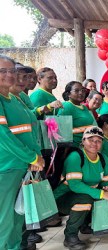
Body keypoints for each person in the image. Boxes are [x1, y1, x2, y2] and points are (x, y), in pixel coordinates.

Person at [0, 55, 45, 250]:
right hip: (6, 168)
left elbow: (30, 130)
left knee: (18, 217)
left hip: (23, 167)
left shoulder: (15, 99)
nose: (9, 74)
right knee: (5, 220)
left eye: (12, 70)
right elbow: (3, 136)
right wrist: (32, 157)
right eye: (3, 71)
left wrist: (34, 159)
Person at [53, 126, 108, 250]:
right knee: (85, 199)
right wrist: (101, 194)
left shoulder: (103, 158)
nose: (94, 144)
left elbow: (105, 181)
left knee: (102, 197)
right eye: (90, 140)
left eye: (98, 141)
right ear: (83, 141)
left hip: (84, 194)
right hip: (63, 197)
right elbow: (75, 185)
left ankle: (84, 224)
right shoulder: (76, 157)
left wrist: (107, 190)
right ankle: (70, 236)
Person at [58, 81, 97, 147]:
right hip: (75, 146)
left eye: (82, 90)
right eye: (76, 90)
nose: (81, 93)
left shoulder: (84, 107)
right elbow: (62, 131)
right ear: (68, 94)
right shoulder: (66, 106)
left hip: (88, 144)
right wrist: (85, 128)